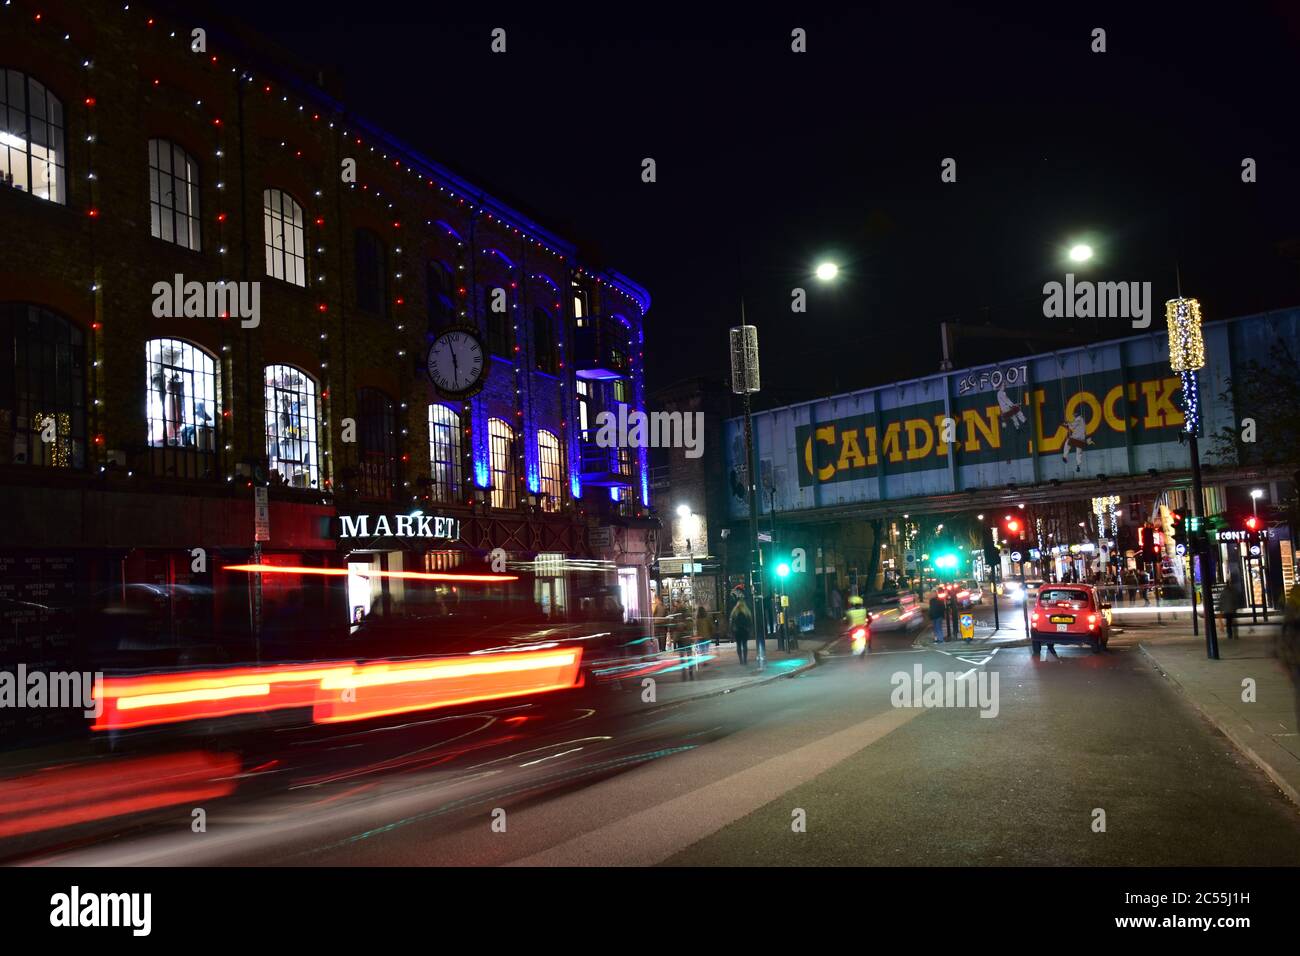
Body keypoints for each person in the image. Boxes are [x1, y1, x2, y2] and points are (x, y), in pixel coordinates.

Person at [730, 590, 753, 665]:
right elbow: (750, 622)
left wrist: (731, 631)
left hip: (737, 631)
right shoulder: (746, 611)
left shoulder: (734, 612)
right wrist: (750, 629)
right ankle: (745, 660)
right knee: (745, 645)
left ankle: (741, 660)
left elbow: (731, 622)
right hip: (745, 630)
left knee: (738, 645)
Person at [1221, 572, 1242, 639]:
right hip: (1232, 609)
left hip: (1227, 610)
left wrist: (1221, 609)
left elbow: (1222, 601)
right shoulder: (1233, 591)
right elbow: (1236, 599)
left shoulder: (1224, 591)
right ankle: (1234, 634)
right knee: (1233, 622)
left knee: (1229, 623)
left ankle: (1230, 634)